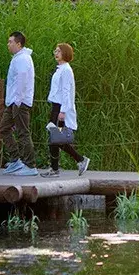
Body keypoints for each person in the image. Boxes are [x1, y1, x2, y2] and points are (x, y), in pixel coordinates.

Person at [40, 43, 90, 178]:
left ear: (65, 53)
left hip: (61, 108)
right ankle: (56, 168)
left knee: (57, 138)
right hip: (56, 106)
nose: (55, 53)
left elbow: (67, 92)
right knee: (54, 138)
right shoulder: (60, 69)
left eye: (58, 51)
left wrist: (63, 111)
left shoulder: (66, 70)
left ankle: (79, 160)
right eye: (55, 51)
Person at [0, 31, 38, 176]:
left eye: (10, 42)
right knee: (4, 128)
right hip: (13, 102)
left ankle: (30, 165)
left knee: (23, 132)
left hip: (19, 102)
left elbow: (22, 80)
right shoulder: (17, 58)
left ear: (18, 44)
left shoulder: (22, 59)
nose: (8, 44)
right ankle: (16, 160)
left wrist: (18, 101)